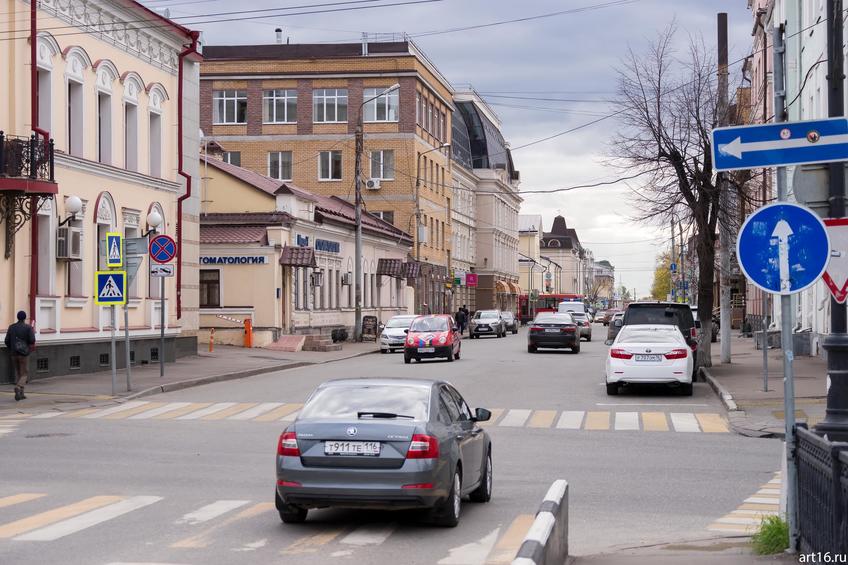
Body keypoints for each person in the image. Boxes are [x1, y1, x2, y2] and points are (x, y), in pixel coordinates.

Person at [5, 311, 36, 401]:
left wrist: (12, 348)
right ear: (24, 318)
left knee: (19, 373)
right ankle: (18, 387)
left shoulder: (11, 327)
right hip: (23, 354)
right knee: (25, 373)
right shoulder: (28, 327)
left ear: (17, 317)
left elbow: (6, 340)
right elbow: (32, 340)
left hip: (14, 353)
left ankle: (21, 394)